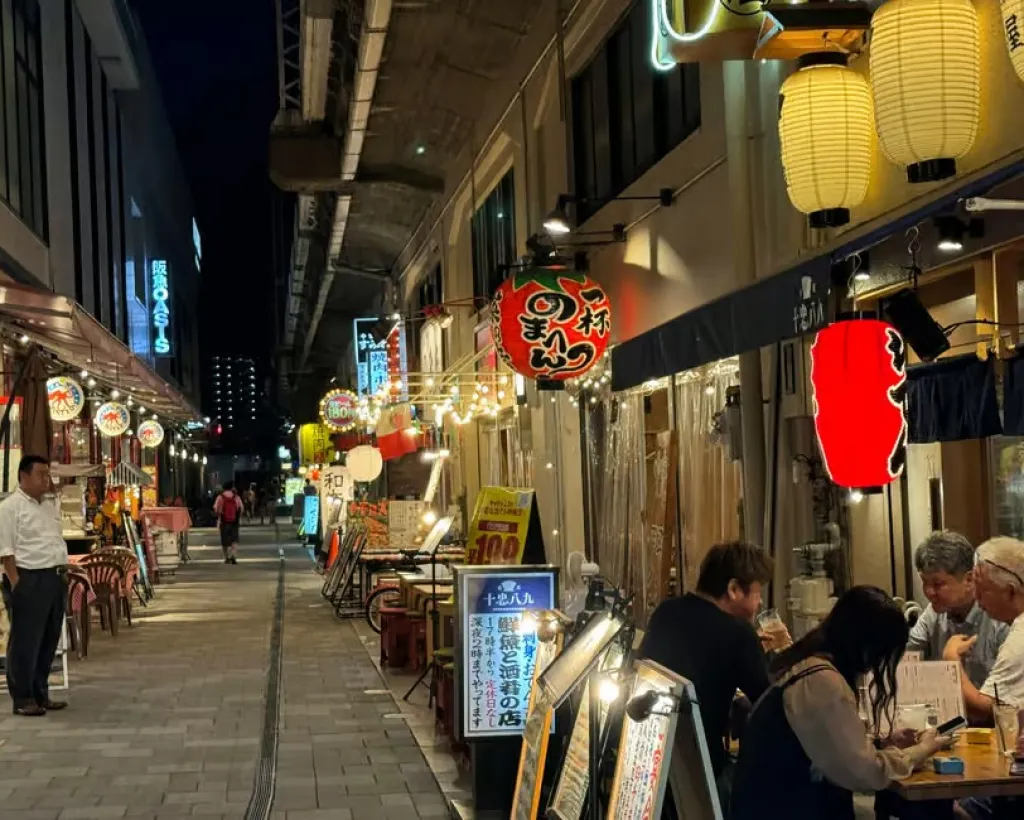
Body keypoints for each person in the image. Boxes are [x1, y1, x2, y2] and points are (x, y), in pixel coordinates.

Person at [731, 586, 954, 820]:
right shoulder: (822, 681)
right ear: (866, 645)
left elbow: (832, 746)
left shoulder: (807, 664)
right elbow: (866, 773)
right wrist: (922, 750)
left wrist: (882, 743)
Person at [640, 542, 781, 786]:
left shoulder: (666, 611)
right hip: (701, 771)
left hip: (652, 759)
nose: (759, 603)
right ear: (734, 589)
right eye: (757, 593)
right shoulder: (738, 633)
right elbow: (768, 700)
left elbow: (699, 652)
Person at [0, 456, 70, 717]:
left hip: (54, 577)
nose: (46, 479)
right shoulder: (10, 508)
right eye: (41, 474)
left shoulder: (48, 506)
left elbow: (52, 542)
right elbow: (6, 553)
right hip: (28, 578)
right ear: (23, 476)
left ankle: (41, 692)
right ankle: (23, 697)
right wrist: (18, 584)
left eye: (47, 474)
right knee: (25, 642)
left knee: (48, 639)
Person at [908, 531, 1008, 688]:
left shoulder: (1000, 617)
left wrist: (951, 660)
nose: (928, 592)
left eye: (937, 584)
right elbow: (906, 658)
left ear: (969, 580)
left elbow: (1003, 701)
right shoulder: (932, 614)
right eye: (924, 582)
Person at [213, 482, 243, 565]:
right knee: (234, 540)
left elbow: (216, 509)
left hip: (223, 522)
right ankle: (234, 556)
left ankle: (226, 558)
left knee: (224, 541)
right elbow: (241, 508)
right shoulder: (236, 497)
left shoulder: (220, 497)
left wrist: (219, 515)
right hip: (234, 522)